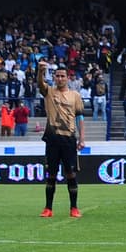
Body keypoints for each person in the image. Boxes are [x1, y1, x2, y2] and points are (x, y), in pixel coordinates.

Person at [37, 61, 85, 218]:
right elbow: (40, 84)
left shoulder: (75, 96)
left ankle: (74, 208)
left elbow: (80, 117)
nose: (59, 78)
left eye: (62, 76)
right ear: (54, 77)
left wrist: (82, 138)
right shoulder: (49, 92)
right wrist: (40, 71)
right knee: (51, 174)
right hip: (52, 139)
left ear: (67, 78)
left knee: (70, 173)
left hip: (69, 139)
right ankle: (48, 208)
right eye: (57, 76)